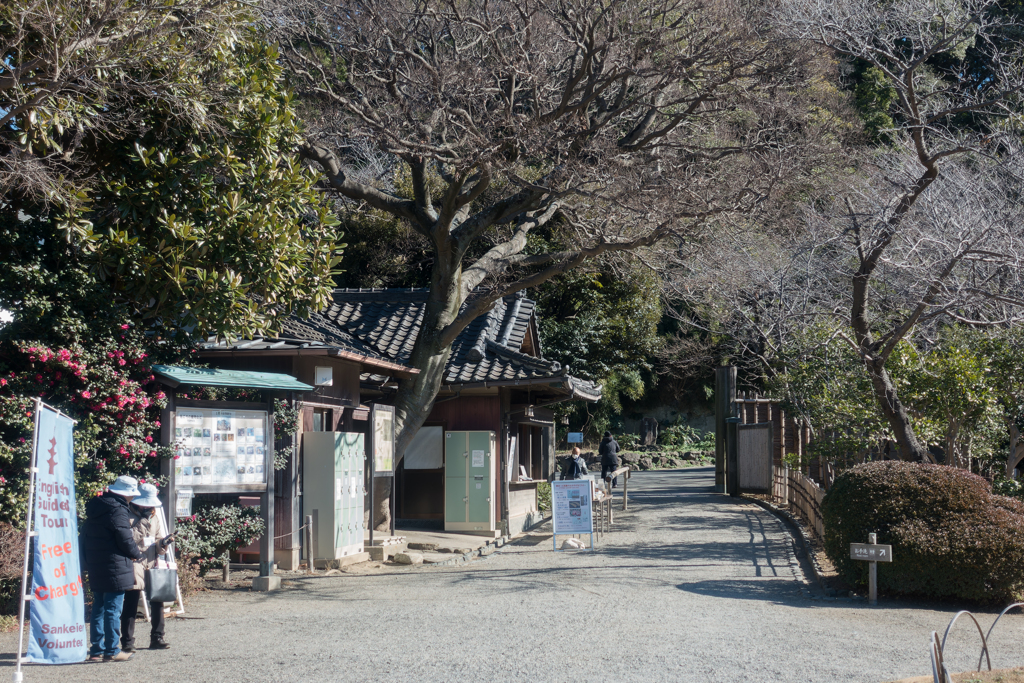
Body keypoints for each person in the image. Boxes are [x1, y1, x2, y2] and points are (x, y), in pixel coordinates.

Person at [81, 475, 145, 662]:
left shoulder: (97, 506)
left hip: (96, 563)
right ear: (126, 494)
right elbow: (125, 538)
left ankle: (96, 650)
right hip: (115, 564)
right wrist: (137, 554)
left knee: (99, 608)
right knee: (113, 609)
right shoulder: (118, 509)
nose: (133, 498)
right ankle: (112, 650)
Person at [121, 483, 174, 652]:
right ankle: (127, 641)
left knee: (158, 599)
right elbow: (128, 539)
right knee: (131, 601)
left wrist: (163, 543)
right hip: (134, 561)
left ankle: (157, 637)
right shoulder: (126, 515)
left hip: (151, 561)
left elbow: (157, 541)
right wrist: (143, 522)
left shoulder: (155, 516)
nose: (149, 507)